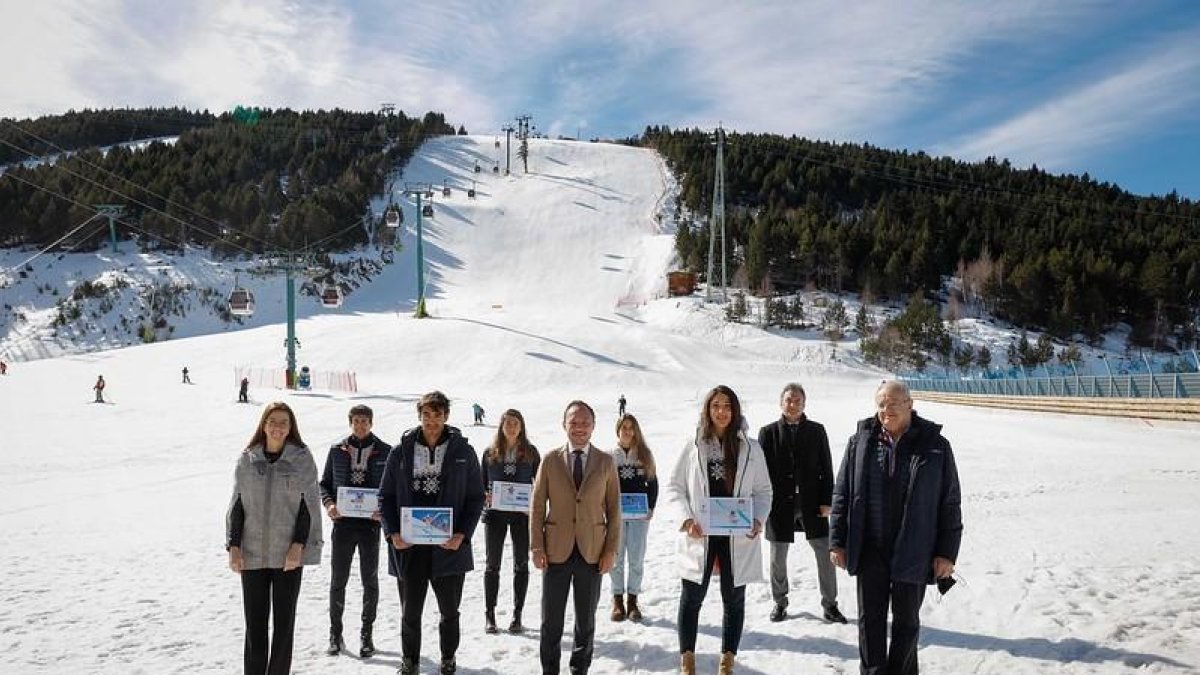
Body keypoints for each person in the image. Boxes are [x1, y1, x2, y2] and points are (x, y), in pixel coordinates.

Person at [830, 380, 963, 675]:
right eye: (881, 404)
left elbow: (949, 502)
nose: (886, 410)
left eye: (893, 403)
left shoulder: (935, 445)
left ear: (910, 405)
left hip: (915, 547)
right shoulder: (861, 441)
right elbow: (842, 493)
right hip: (870, 548)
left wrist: (947, 552)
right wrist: (837, 540)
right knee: (870, 621)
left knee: (906, 623)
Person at [665, 385, 773, 675]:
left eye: (727, 406)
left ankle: (727, 659)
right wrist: (687, 520)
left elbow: (764, 491)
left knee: (734, 599)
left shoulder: (751, 448)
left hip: (737, 536)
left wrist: (758, 519)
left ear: (735, 410)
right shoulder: (693, 445)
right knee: (691, 597)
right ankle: (687, 657)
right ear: (708, 410)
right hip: (701, 533)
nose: (722, 411)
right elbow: (674, 487)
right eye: (716, 406)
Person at [380, 391, 484, 675]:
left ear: (446, 416)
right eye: (427, 415)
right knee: (410, 612)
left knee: (449, 611)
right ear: (419, 416)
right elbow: (385, 497)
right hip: (409, 547)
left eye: (437, 415)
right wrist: (392, 534)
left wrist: (462, 534)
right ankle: (410, 661)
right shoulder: (400, 451)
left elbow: (476, 497)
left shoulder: (464, 452)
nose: (432, 421)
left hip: (449, 547)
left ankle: (448, 658)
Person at [225, 401, 323, 675]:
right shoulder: (247, 459)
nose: (278, 427)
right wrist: (234, 546)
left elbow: (310, 507)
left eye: (284, 422)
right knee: (255, 627)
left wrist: (298, 547)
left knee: (283, 626)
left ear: (291, 427)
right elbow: (237, 505)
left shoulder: (302, 459)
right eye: (273, 421)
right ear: (264, 425)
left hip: (287, 556)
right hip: (252, 554)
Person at [530, 400, 621, 675]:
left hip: (592, 551)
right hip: (555, 550)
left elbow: (614, 510)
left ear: (593, 426)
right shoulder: (550, 459)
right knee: (551, 621)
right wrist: (536, 546)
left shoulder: (606, 462)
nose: (579, 428)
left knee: (586, 621)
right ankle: (550, 670)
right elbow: (536, 507)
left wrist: (610, 551)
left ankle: (579, 669)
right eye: (574, 422)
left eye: (585, 422)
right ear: (564, 425)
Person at [759, 383, 845, 624]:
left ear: (804, 403)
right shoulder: (768, 433)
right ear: (781, 403)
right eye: (788, 400)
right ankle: (779, 602)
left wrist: (828, 501)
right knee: (777, 558)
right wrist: (762, 505)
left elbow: (827, 468)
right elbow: (761, 473)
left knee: (825, 553)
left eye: (797, 400)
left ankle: (830, 604)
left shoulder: (817, 431)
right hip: (778, 506)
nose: (793, 404)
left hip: (812, 504)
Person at [319, 405, 391, 658]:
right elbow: (325, 484)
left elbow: (391, 490)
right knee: (338, 580)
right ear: (350, 422)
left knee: (369, 581)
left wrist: (382, 509)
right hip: (343, 524)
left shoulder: (386, 451)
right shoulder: (336, 450)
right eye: (356, 421)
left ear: (372, 423)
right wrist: (329, 505)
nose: (360, 425)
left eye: (365, 421)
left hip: (370, 526)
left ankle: (366, 634)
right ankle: (335, 634)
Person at [481, 409, 541, 634]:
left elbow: (541, 483)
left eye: (516, 423)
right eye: (508, 423)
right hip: (495, 515)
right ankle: (490, 615)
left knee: (521, 564)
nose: (512, 427)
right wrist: (485, 497)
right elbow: (481, 484)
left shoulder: (531, 452)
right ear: (501, 426)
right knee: (492, 565)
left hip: (521, 516)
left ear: (522, 426)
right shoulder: (490, 452)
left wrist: (534, 505)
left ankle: (517, 615)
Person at [608, 413, 657, 622]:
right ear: (618, 430)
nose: (627, 431)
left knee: (636, 557)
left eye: (631, 427)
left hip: (638, 515)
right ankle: (617, 600)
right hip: (616, 515)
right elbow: (604, 486)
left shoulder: (644, 455)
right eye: (624, 427)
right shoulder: (609, 456)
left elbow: (653, 483)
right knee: (616, 557)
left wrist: (651, 507)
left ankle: (633, 600)